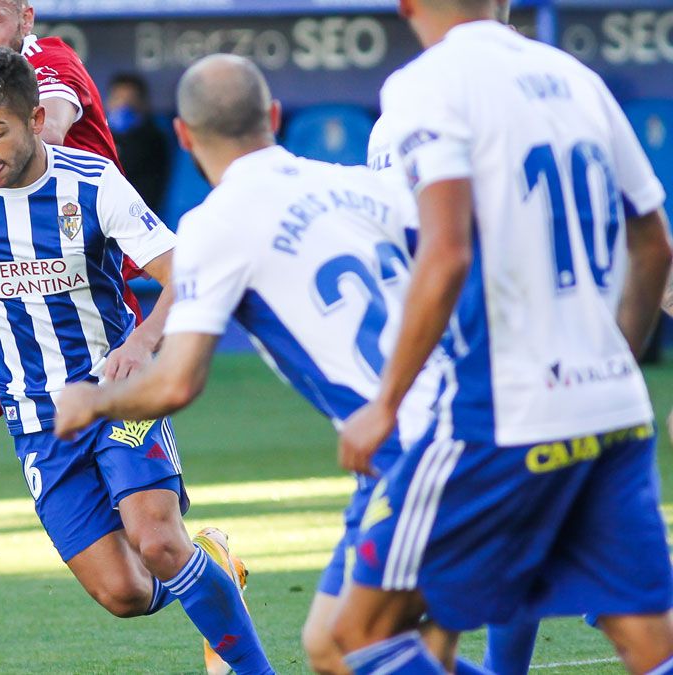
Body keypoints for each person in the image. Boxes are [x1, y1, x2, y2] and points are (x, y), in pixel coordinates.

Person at [0, 48, 274, 675]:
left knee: (157, 539)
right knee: (124, 593)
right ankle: (215, 568)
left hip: (118, 396)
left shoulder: (91, 184)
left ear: (36, 119)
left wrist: (142, 343)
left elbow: (185, 273)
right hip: (37, 421)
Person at [53, 53, 492, 675]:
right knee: (330, 646)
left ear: (182, 135)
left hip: (419, 448)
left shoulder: (216, 224)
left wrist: (93, 401)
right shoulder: (364, 185)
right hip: (467, 421)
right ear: (276, 117)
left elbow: (178, 381)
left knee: (356, 644)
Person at [330, 0, 673, 672]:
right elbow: (655, 245)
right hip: (612, 406)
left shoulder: (425, 86)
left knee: (358, 635)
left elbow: (445, 252)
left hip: (503, 409)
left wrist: (387, 402)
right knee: (652, 645)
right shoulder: (578, 79)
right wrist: (610, 359)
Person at [106, 72, 170, 209]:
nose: (123, 106)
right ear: (109, 102)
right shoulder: (99, 136)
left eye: (130, 101)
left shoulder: (153, 140)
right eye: (118, 99)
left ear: (142, 105)